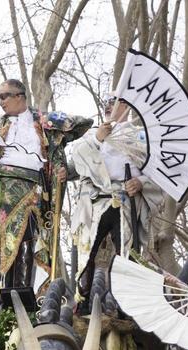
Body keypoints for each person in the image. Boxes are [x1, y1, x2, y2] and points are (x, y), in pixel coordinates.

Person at [0, 79, 91, 291]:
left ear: (19, 96)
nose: (0, 102)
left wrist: (52, 126)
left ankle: (23, 292)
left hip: (34, 188)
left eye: (4, 96)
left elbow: (82, 125)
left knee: (29, 237)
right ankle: (7, 294)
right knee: (5, 242)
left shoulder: (43, 123)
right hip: (3, 192)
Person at [62, 95, 162, 299]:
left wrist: (141, 182)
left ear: (127, 106)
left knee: (126, 251)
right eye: (106, 103)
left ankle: (121, 299)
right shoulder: (92, 134)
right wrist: (98, 139)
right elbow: (77, 164)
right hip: (94, 201)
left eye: (115, 102)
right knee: (87, 249)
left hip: (126, 201)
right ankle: (83, 297)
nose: (109, 106)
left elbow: (158, 173)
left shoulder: (142, 137)